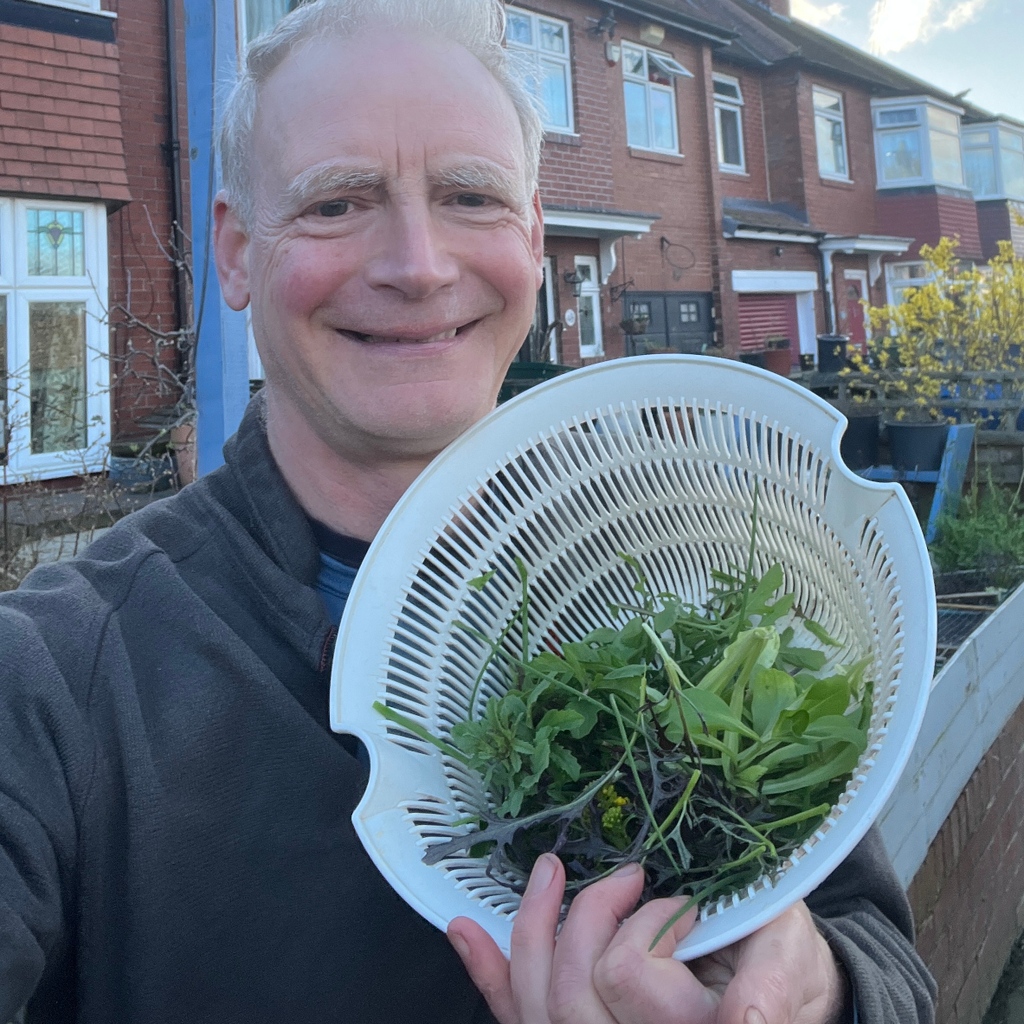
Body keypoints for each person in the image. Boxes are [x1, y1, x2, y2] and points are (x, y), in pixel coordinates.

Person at [0, 1, 936, 1021]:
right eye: (335, 203)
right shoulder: (62, 681)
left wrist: (818, 995)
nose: (417, 264)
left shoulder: (688, 589)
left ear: (534, 236)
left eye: (470, 197)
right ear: (233, 249)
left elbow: (874, 947)